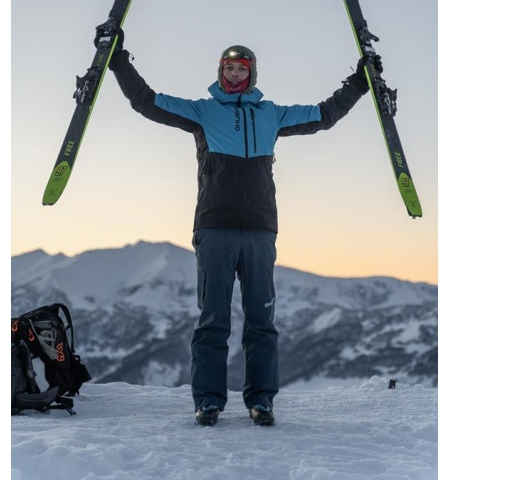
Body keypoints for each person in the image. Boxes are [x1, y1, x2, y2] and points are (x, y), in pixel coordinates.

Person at [106, 29, 381, 426]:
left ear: (252, 74)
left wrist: (358, 83)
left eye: (241, 69)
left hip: (260, 230)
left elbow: (324, 115)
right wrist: (118, 61)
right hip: (215, 227)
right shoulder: (203, 112)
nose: (234, 75)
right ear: (220, 72)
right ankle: (208, 401)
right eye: (229, 68)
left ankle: (261, 400)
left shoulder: (271, 114)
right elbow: (146, 101)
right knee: (213, 320)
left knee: (261, 323)